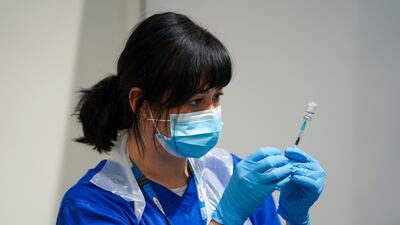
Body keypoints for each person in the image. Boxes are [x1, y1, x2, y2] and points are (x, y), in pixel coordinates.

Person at [56, 12, 326, 225]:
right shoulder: (94, 205)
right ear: (140, 103)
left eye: (217, 97)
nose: (210, 112)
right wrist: (227, 218)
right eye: (195, 101)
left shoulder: (231, 175)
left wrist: (296, 218)